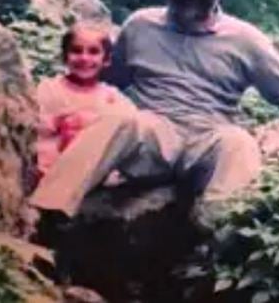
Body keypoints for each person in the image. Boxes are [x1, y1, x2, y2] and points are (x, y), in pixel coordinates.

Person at [32, 0, 279, 217]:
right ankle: (44, 214)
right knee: (118, 118)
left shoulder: (245, 39)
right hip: (152, 138)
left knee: (240, 143)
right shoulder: (140, 26)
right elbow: (101, 82)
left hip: (208, 139)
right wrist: (68, 115)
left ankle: (217, 234)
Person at [29, 23, 182, 217]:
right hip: (62, 170)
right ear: (64, 56)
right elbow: (43, 137)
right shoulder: (51, 90)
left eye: (93, 52)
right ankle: (51, 208)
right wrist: (47, 170)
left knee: (135, 122)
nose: (84, 58)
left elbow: (130, 135)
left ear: (107, 60)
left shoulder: (112, 96)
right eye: (76, 51)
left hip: (103, 175)